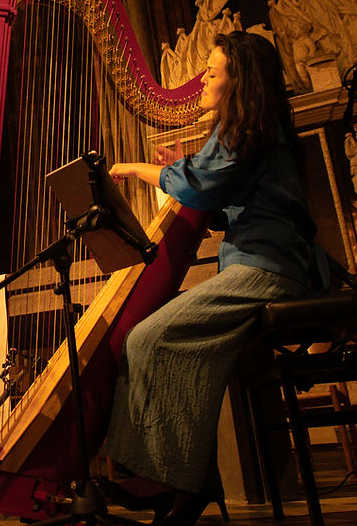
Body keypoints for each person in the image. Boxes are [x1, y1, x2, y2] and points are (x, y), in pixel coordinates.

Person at [101, 31, 328, 525]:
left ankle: (164, 478)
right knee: (163, 341)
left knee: (148, 337)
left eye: (211, 70)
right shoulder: (253, 129)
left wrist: (138, 169)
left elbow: (198, 186)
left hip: (268, 268)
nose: (201, 79)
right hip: (261, 264)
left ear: (238, 79)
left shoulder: (249, 127)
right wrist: (182, 169)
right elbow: (222, 196)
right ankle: (189, 479)